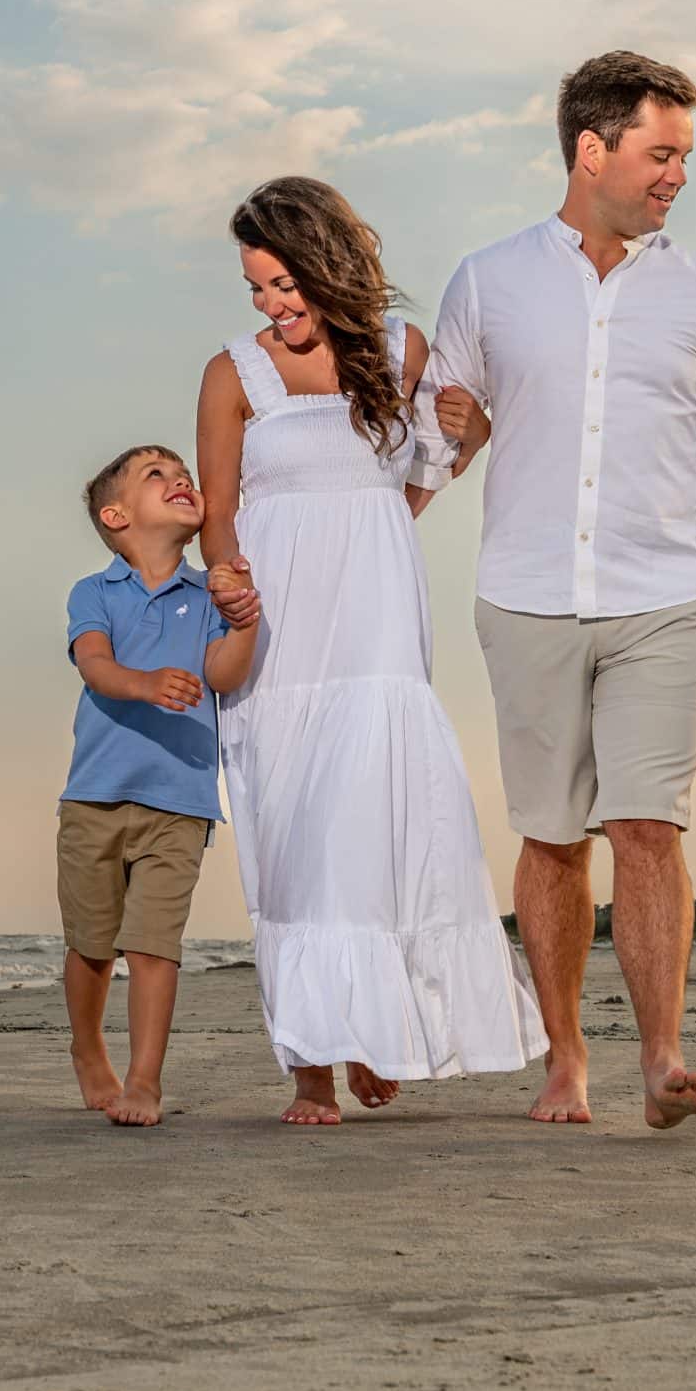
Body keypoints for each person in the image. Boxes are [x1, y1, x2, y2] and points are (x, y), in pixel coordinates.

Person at [424, 49, 696, 1130]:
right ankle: (564, 1055)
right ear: (593, 150)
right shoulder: (486, 280)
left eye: (683, 153)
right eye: (661, 151)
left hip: (664, 596)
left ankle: (661, 1055)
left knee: (646, 824)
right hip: (526, 594)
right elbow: (436, 442)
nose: (677, 173)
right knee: (550, 837)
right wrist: (458, 430)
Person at [195, 176, 548, 1127]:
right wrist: (226, 577)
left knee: (370, 821)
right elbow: (219, 512)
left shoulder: (403, 350)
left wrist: (464, 440)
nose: (272, 305)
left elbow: (423, 473)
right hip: (280, 627)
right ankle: (314, 1059)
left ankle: (372, 1028)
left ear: (326, 264)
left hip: (378, 613)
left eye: (283, 283)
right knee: (296, 830)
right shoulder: (235, 372)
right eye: (257, 288)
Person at [57, 445, 259, 1127]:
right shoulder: (95, 593)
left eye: (182, 471)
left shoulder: (208, 592)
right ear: (117, 516)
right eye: (157, 474)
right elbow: (95, 666)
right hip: (95, 797)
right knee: (91, 943)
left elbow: (226, 673)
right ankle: (89, 1051)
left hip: (180, 800)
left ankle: (144, 1079)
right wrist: (145, 684)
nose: (180, 478)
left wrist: (244, 623)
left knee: (153, 943)